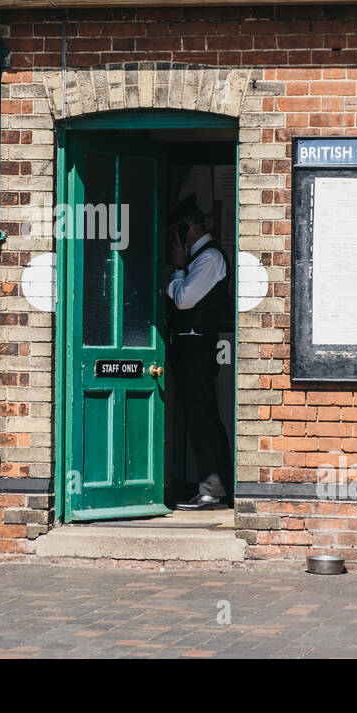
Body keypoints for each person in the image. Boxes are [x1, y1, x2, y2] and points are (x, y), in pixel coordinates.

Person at [164, 195, 232, 510]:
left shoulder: (209, 258)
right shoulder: (201, 258)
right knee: (197, 416)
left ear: (185, 229)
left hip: (197, 347)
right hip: (187, 346)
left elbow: (184, 300)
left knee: (203, 417)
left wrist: (177, 270)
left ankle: (213, 490)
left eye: (174, 234)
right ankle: (210, 487)